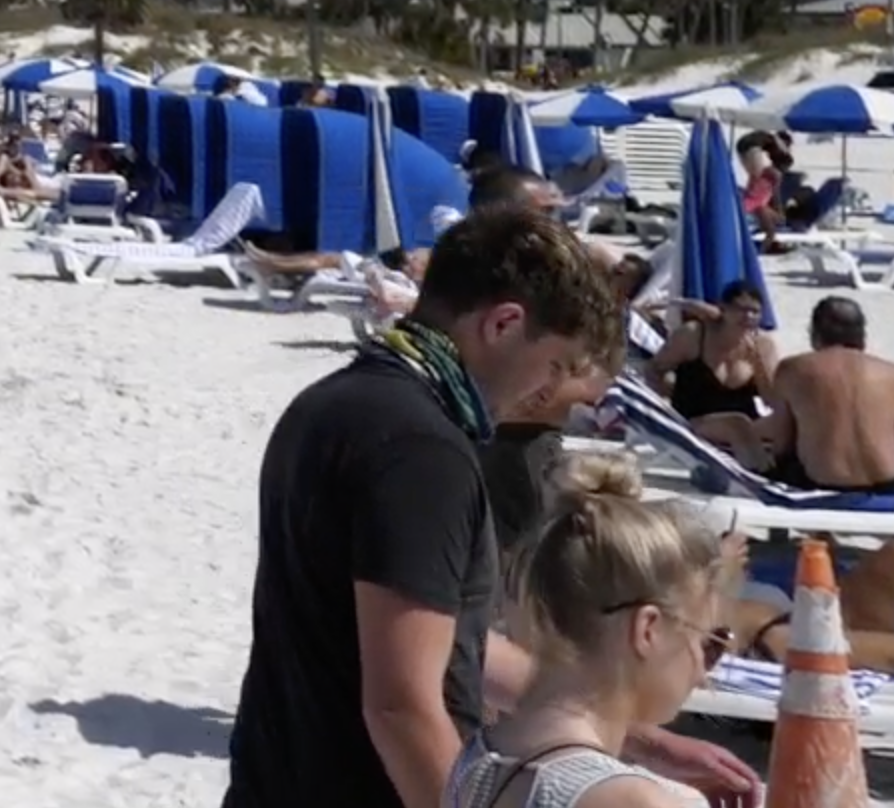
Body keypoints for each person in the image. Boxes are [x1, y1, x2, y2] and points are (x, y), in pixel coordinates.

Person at [223, 208, 752, 808]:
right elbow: (402, 705)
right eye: (555, 364)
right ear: (503, 323)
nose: (548, 394)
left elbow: (454, 644)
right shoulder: (423, 452)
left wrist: (639, 740)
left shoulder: (331, 404)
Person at [450, 452, 738, 808]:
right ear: (647, 629)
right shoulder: (633, 800)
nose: (704, 677)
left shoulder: (478, 759)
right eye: (708, 644)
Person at [769, 293, 894, 491]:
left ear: (815, 333)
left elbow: (782, 445)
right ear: (861, 335)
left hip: (823, 484)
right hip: (888, 484)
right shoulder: (889, 371)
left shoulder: (792, 369)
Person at [658, 281, 775, 464]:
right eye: (741, 309)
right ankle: (760, 475)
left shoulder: (763, 345)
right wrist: (665, 400)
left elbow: (772, 400)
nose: (748, 317)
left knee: (791, 421)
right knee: (736, 424)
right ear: (724, 309)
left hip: (746, 424)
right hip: (694, 420)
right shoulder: (694, 335)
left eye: (755, 311)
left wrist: (758, 363)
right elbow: (654, 369)